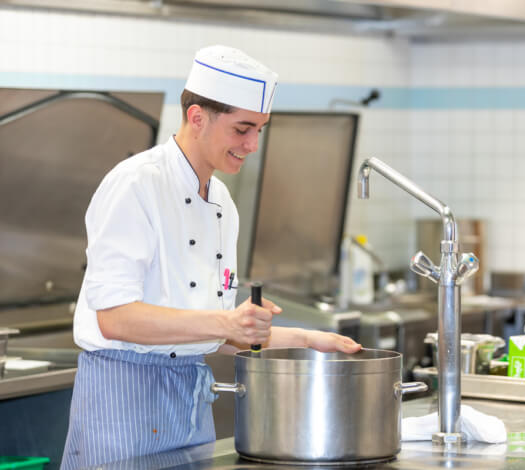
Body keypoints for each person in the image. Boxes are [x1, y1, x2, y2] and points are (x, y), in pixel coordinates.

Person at [60, 45, 361, 469]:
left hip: (188, 400)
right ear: (198, 117)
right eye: (242, 129)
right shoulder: (136, 185)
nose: (253, 144)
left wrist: (308, 341)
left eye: (260, 129)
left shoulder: (221, 202)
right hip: (123, 399)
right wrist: (227, 321)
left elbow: (213, 329)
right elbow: (115, 319)